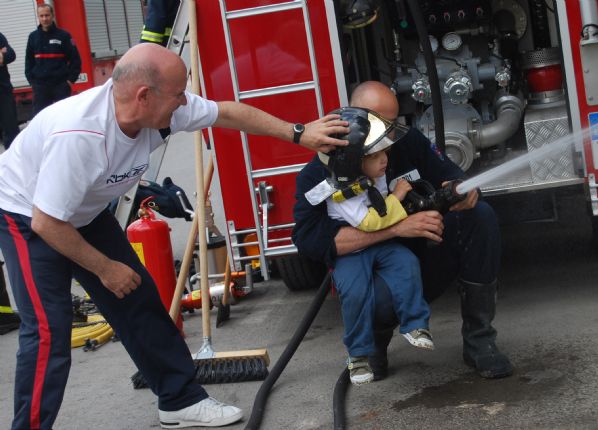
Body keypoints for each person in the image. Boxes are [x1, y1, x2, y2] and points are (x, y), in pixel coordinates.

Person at [0, 42, 348, 430]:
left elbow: (227, 112)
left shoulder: (162, 111)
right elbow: (47, 223)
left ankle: (180, 400)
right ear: (144, 96)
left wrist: (299, 133)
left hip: (83, 211)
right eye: (178, 93)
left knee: (139, 300)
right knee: (50, 329)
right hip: (26, 213)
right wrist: (104, 268)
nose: (185, 102)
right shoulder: (80, 136)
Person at [293, 80, 513, 381]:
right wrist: (397, 228)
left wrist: (458, 189)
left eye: (393, 121)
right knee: (372, 294)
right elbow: (309, 240)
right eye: (379, 122)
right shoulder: (321, 171)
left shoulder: (407, 142)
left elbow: (449, 175)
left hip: (417, 260)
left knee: (479, 216)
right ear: (354, 119)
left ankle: (480, 340)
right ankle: (374, 343)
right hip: (369, 273)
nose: (388, 134)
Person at [320, 107, 434, 385]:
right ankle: (358, 356)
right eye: (376, 156)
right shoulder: (340, 191)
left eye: (385, 153)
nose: (386, 160)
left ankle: (415, 325)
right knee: (356, 293)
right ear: (353, 162)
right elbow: (370, 223)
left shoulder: (373, 175)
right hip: (353, 253)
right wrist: (397, 195)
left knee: (407, 263)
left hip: (380, 245)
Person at [25, 3, 81, 116]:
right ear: (38, 17)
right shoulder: (33, 37)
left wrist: (70, 81)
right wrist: (32, 82)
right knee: (40, 118)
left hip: (60, 85)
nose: (44, 19)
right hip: (40, 86)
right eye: (41, 16)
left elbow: (76, 60)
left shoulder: (64, 36)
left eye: (47, 15)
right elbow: (28, 61)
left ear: (52, 15)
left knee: (64, 117)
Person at [0, 31, 20, 150]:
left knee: (11, 130)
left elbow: (11, 54)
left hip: (3, 90)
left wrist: (3, 57)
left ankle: (14, 162)